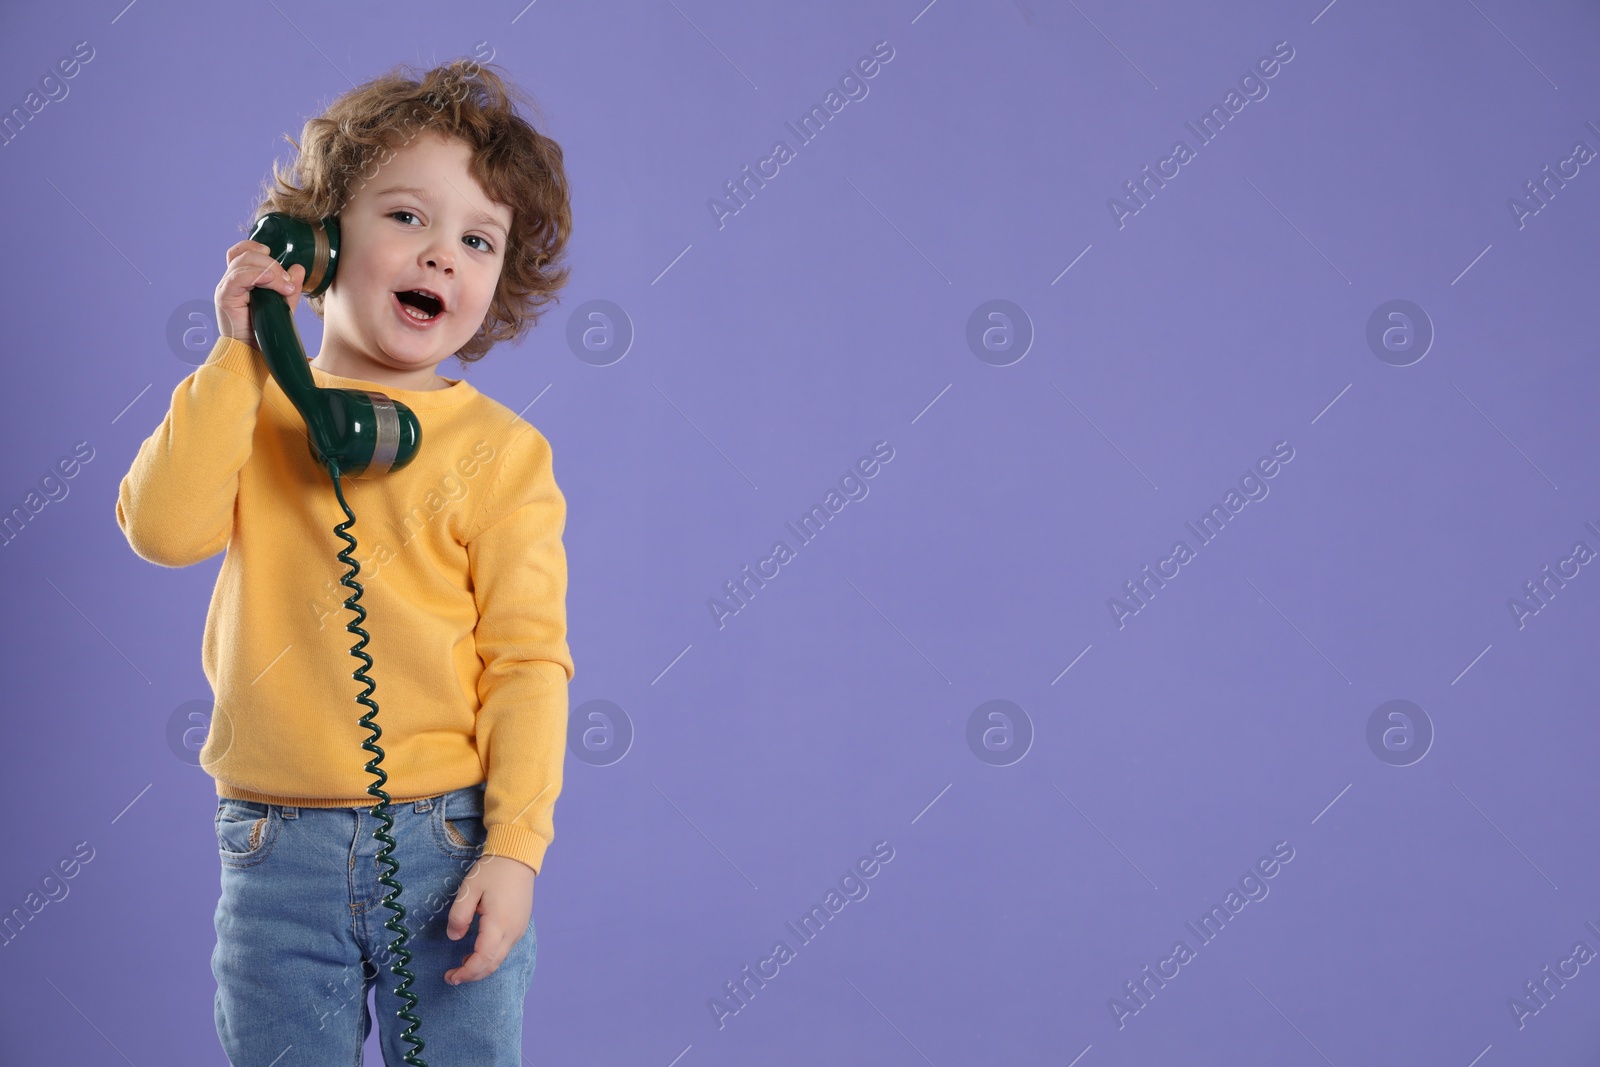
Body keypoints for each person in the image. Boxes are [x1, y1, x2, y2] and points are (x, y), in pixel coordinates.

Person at [114, 58, 575, 1065]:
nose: (442, 256)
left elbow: (528, 664)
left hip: (449, 844)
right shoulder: (249, 403)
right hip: (276, 848)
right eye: (407, 217)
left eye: (477, 238)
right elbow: (162, 528)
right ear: (317, 243)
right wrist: (239, 352)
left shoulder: (503, 453)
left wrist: (514, 848)